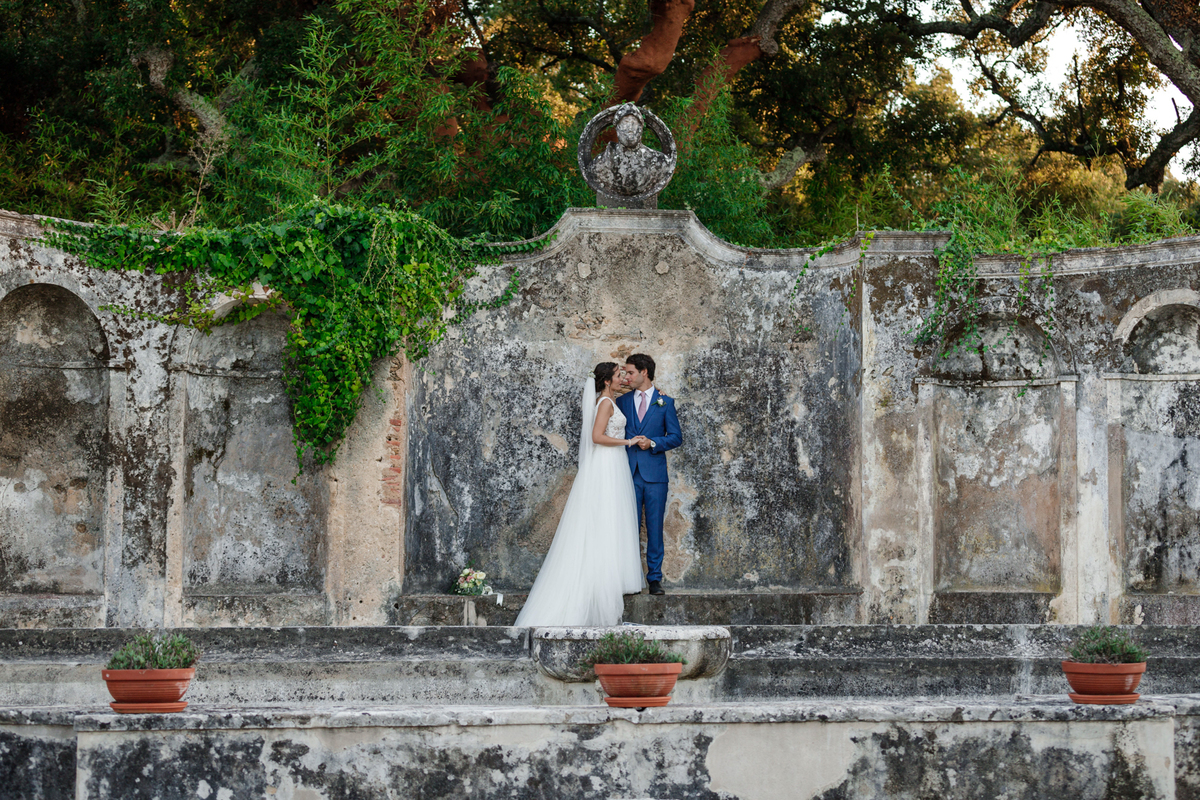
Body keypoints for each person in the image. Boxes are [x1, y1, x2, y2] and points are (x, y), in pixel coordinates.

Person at [514, 363, 646, 627]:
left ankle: (605, 577)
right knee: (605, 518)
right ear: (607, 381)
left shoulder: (607, 399)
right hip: (607, 464)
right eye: (619, 376)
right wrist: (627, 442)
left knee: (608, 521)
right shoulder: (606, 403)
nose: (623, 380)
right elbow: (597, 437)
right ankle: (599, 583)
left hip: (612, 464)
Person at [615, 354, 683, 596]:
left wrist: (653, 442)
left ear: (644, 372)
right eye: (624, 373)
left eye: (630, 372)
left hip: (655, 476)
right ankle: (628, 578)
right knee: (627, 527)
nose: (626, 377)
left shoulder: (666, 402)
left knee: (654, 528)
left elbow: (676, 437)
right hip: (628, 473)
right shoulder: (621, 402)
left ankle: (654, 579)